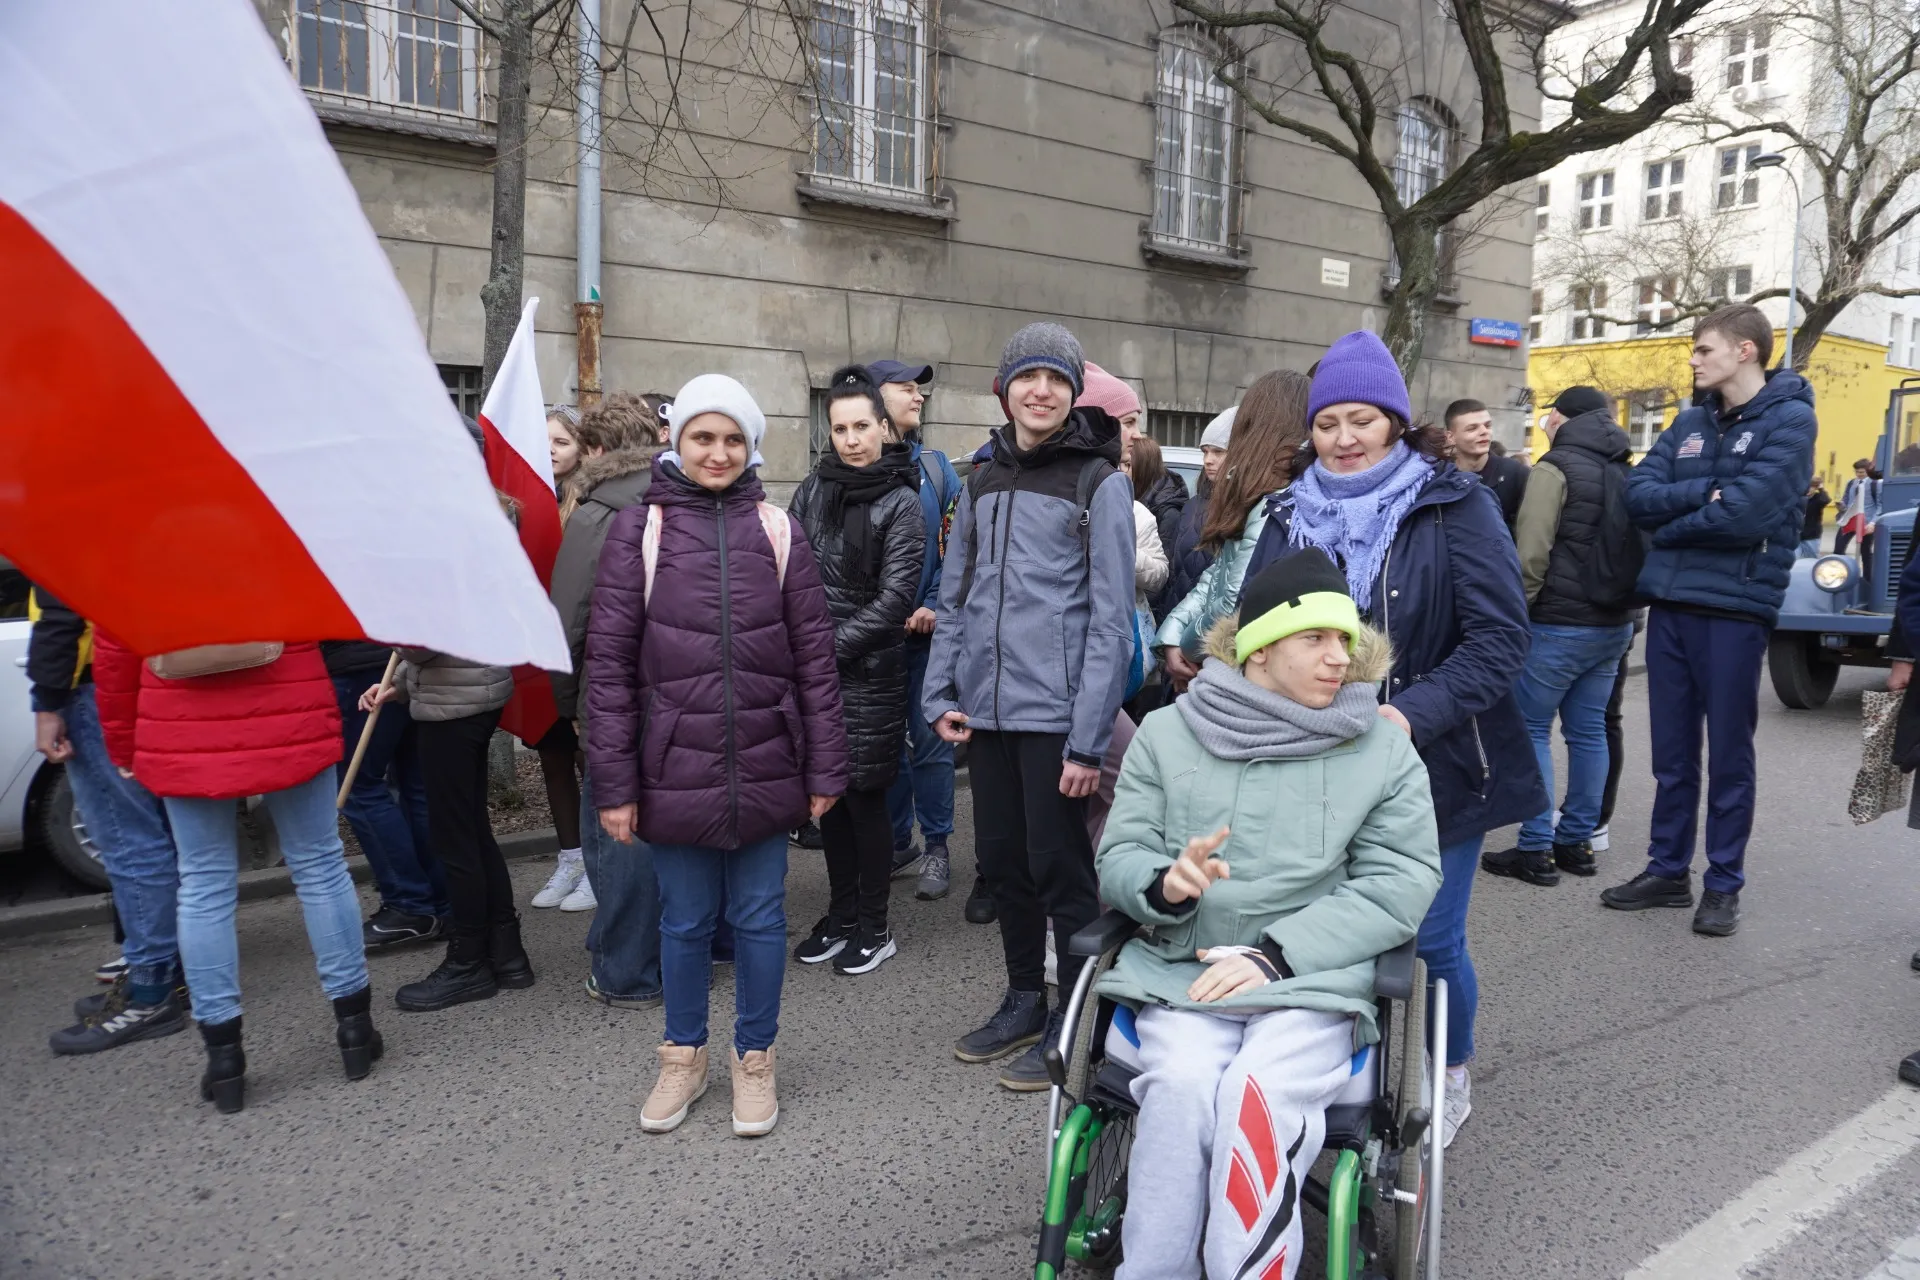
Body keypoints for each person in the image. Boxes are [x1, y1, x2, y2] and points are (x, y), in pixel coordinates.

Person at [1093, 550, 1442, 1280]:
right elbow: (1119, 855)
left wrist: (1278, 955)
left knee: (1257, 1092)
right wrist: (1165, 885)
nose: (1336, 657)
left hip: (1311, 980)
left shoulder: (1379, 747)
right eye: (1315, 637)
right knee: (1183, 1090)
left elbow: (1400, 879)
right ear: (1259, 646)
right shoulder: (1167, 733)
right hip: (1184, 970)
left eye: (1345, 640)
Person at [1243, 330, 1544, 1147]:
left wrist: (1411, 712)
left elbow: (1499, 639)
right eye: (1329, 422)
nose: (1343, 439)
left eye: (1362, 421)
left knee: (1430, 936)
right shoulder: (1285, 513)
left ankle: (1450, 1070)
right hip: (1313, 762)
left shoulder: (1453, 505)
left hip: (1434, 760)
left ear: (1396, 424)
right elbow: (1253, 633)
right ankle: (1338, 1080)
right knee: (1328, 929)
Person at [587, 373, 849, 1137]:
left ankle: (755, 1059)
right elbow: (608, 667)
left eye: (733, 438)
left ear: (751, 447)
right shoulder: (640, 532)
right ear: (677, 441)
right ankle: (683, 1056)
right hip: (674, 763)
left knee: (763, 919)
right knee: (685, 922)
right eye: (704, 436)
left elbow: (814, 660)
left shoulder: (777, 530)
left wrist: (826, 767)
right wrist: (615, 784)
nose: (718, 451)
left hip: (769, 758)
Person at [923, 322, 1135, 1092]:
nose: (1040, 390)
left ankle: (1076, 1021)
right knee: (1006, 865)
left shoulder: (1098, 480)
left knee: (1062, 871)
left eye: (1056, 379)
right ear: (1004, 388)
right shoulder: (981, 479)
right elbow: (955, 598)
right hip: (987, 713)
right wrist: (941, 692)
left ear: (1073, 392)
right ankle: (1022, 997)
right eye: (1027, 377)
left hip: (1058, 717)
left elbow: (1112, 619)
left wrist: (1087, 743)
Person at [93, 635, 379, 1113]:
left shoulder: (136, 558)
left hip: (181, 719)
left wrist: (123, 742)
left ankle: (224, 1058)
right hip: (288, 700)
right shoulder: (284, 552)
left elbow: (114, 649)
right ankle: (355, 1029)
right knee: (321, 866)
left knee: (203, 884)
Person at [1602, 304, 1816, 936]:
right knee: (1671, 756)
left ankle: (1723, 883)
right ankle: (1668, 870)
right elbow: (1636, 498)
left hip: (1734, 610)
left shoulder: (1791, 420)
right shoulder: (1691, 420)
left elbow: (1746, 517)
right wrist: (1700, 498)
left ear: (1744, 352)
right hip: (1671, 606)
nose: (1693, 360)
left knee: (1728, 756)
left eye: (1703, 350)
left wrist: (1674, 531)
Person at [788, 367, 925, 974]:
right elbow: (787, 567)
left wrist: (819, 649)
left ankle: (875, 924)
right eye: (839, 427)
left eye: (861, 426)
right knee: (830, 803)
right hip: (815, 672)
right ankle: (841, 916)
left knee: (865, 801)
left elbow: (895, 601)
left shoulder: (903, 499)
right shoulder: (813, 489)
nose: (850, 439)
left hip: (868, 672)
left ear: (883, 427)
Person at [1482, 386, 1638, 886]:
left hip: (1556, 622)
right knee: (1589, 731)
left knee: (1531, 730)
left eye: (1550, 415)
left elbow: (1531, 550)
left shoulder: (1555, 468)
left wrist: (1518, 611)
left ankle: (1535, 849)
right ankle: (1578, 841)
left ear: (1562, 418)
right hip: (1612, 624)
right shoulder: (1623, 464)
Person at [31, 588, 188, 1055]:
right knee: (153, 836)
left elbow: (62, 613)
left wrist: (47, 700)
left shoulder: (62, 518)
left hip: (94, 685)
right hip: (136, 675)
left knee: (129, 843)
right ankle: (170, 975)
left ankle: (151, 991)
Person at [548, 400, 661, 1007]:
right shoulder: (682, 497)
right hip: (680, 694)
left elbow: (568, 623)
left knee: (617, 834)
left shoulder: (596, 513)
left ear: (594, 451)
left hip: (613, 697)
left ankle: (626, 970)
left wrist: (568, 704)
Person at [869, 358, 966, 906]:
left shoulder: (935, 468)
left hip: (930, 639)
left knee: (930, 743)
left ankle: (938, 845)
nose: (918, 396)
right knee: (884, 747)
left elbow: (955, 543)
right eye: (906, 388)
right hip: (875, 639)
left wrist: (933, 603)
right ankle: (897, 839)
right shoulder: (853, 466)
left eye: (918, 389)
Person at [1158, 370, 1310, 689]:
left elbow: (1233, 600)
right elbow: (1215, 576)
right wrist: (1173, 635)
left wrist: (1187, 648)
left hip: (1233, 672)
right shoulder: (1253, 496)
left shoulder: (1277, 503)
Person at [323, 639, 444, 945]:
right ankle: (442, 902)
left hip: (360, 663)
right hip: (401, 660)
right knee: (417, 784)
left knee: (360, 788)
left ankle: (410, 903)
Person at [1156, 406, 1235, 622]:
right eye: (1205, 452)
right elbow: (1173, 571)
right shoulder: (1192, 505)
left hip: (1211, 627)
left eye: (1218, 451)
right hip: (1175, 619)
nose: (1208, 460)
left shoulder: (1242, 510)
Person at [1445, 398, 1529, 530]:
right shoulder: (1438, 478)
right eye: (1472, 428)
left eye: (1488, 425)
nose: (1484, 432)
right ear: (1450, 437)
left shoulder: (1516, 474)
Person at [1837, 458, 1880, 555]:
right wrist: (1842, 505)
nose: (1859, 474)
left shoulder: (1875, 484)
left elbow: (1880, 506)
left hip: (1866, 522)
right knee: (1838, 549)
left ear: (1868, 471)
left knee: (1865, 552)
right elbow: (1846, 498)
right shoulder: (1851, 483)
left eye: (1862, 472)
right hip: (1849, 519)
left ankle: (1867, 571)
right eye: (1857, 472)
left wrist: (1873, 523)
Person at [1801, 478, 1831, 559]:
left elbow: (1825, 500)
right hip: (1797, 536)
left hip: (1812, 536)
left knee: (1811, 559)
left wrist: (1821, 488)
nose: (1808, 490)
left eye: (1811, 487)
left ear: (1815, 488)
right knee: (1794, 561)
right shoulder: (1799, 498)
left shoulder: (1818, 498)